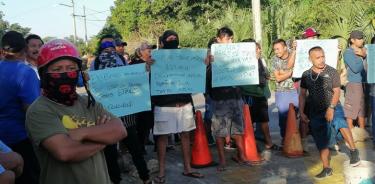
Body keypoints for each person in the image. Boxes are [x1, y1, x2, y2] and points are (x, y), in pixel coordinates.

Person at [25, 39, 127, 184]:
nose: (66, 74)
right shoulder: (39, 110)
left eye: (71, 68)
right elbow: (65, 152)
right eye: (57, 70)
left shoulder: (88, 102)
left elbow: (119, 130)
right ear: (44, 74)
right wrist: (103, 139)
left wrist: (81, 133)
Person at [92, 35, 151, 184]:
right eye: (109, 48)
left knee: (111, 151)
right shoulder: (121, 59)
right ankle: (145, 178)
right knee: (133, 148)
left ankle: (116, 180)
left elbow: (90, 83)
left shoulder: (97, 61)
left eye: (110, 48)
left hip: (108, 115)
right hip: (126, 112)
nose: (109, 52)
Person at [299, 46, 360, 179]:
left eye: (323, 56)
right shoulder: (306, 75)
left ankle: (354, 151)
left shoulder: (331, 71)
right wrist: (302, 111)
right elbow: (302, 94)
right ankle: (327, 168)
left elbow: (337, 91)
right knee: (321, 140)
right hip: (315, 111)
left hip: (333, 105)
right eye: (318, 58)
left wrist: (331, 108)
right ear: (310, 59)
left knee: (340, 122)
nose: (321, 60)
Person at [152, 30, 204, 184]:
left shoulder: (186, 57)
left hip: (185, 104)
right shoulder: (156, 58)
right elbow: (146, 77)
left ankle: (188, 168)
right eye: (169, 38)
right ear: (162, 42)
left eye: (175, 38)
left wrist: (206, 62)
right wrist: (147, 66)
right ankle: (161, 171)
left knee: (186, 136)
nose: (173, 40)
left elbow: (198, 68)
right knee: (162, 139)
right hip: (164, 106)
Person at [205, 27, 250, 171]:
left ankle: (241, 156)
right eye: (227, 38)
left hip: (236, 96)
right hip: (219, 99)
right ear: (218, 39)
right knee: (219, 131)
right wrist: (207, 65)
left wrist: (252, 62)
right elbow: (202, 79)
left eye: (231, 38)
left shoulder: (239, 53)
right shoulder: (210, 56)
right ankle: (222, 161)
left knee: (238, 129)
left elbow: (247, 70)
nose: (230, 41)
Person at [0, 31, 40, 184]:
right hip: (20, 137)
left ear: (3, 50)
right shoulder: (25, 72)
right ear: (24, 49)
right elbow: (31, 109)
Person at [240, 39, 281, 152]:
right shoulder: (243, 62)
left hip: (261, 95)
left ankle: (269, 143)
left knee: (264, 120)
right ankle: (250, 144)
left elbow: (266, 75)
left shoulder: (261, 60)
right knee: (249, 121)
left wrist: (270, 77)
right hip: (249, 95)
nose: (259, 50)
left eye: (259, 48)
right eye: (256, 48)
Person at [343, 30, 370, 142]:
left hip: (362, 82)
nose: (361, 40)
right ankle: (351, 133)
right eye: (358, 38)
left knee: (361, 108)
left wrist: (363, 54)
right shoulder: (348, 52)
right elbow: (356, 68)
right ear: (352, 40)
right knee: (351, 107)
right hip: (353, 83)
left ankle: (362, 133)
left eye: (362, 38)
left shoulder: (363, 50)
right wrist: (363, 56)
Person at [271, 39, 299, 141]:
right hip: (281, 91)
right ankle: (284, 138)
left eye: (278, 49)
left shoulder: (294, 54)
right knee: (283, 117)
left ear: (285, 47)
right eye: (274, 50)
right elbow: (278, 78)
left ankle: (295, 138)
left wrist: (283, 72)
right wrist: (290, 73)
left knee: (296, 115)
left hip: (295, 91)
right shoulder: (274, 60)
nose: (276, 52)